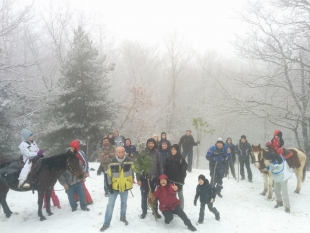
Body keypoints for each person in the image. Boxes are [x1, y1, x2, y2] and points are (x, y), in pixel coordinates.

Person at [100, 147, 134, 232]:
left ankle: (123, 218)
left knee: (124, 204)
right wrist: (109, 186)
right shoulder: (112, 162)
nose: (121, 153)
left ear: (124, 152)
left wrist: (135, 177)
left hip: (125, 186)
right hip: (114, 188)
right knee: (110, 205)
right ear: (116, 152)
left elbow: (134, 170)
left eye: (122, 152)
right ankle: (106, 223)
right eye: (119, 152)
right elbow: (108, 175)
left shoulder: (129, 160)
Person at [136, 138, 163, 219]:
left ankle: (155, 211)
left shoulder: (157, 154)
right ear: (147, 144)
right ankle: (144, 211)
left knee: (154, 196)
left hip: (154, 178)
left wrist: (161, 178)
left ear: (154, 144)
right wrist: (138, 179)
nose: (151, 145)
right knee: (144, 195)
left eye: (152, 143)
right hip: (144, 178)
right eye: (149, 143)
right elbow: (138, 166)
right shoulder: (143, 153)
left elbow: (160, 166)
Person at [264, 142, 291, 213]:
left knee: (284, 192)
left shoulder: (279, 159)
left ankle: (287, 207)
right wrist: (267, 168)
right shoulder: (272, 158)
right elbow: (271, 166)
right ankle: (279, 202)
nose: (269, 160)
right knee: (276, 190)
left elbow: (280, 169)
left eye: (269, 159)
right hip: (277, 178)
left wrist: (272, 171)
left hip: (283, 177)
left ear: (271, 157)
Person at [69, 140, 93, 205]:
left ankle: (88, 200)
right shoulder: (70, 153)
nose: (71, 149)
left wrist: (86, 172)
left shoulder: (80, 153)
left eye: (72, 148)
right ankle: (76, 198)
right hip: (73, 173)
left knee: (82, 186)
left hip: (80, 172)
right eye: (70, 148)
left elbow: (85, 162)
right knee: (74, 186)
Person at [164, 144, 187, 209]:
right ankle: (173, 207)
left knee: (180, 194)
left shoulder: (181, 159)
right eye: (172, 149)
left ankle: (181, 209)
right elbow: (165, 169)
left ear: (177, 150)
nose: (173, 151)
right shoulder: (168, 159)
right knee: (172, 195)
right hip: (170, 180)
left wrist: (181, 182)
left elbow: (184, 172)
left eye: (174, 149)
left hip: (179, 181)